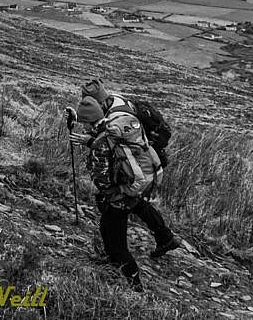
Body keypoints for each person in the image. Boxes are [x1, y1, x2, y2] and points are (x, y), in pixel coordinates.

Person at [71, 96, 181, 291]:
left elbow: (102, 179)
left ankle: (136, 287)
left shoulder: (101, 141)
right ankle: (112, 264)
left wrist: (109, 194)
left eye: (84, 123)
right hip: (130, 190)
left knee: (119, 245)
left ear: (89, 122)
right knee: (106, 227)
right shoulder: (115, 130)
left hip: (118, 199)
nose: (84, 128)